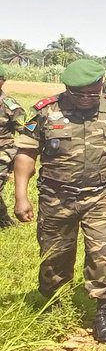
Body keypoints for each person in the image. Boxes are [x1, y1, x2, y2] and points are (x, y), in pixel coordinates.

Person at [12, 59, 106, 343]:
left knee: (103, 252)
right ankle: (53, 303)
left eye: (91, 93)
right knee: (55, 254)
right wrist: (20, 196)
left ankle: (103, 310)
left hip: (102, 194)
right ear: (67, 88)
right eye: (77, 93)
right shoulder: (45, 111)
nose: (85, 99)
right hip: (57, 196)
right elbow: (25, 155)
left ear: (102, 86)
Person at [0, 64, 26, 228]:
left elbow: (27, 131)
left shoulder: (11, 106)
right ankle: (5, 222)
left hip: (3, 151)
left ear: (2, 82)